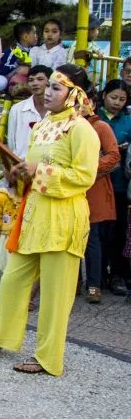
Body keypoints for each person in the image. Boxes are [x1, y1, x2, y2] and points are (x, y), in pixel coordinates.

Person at [0, 64, 99, 376]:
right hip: (33, 214)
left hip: (63, 220)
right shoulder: (44, 124)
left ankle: (48, 358)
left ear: (75, 94)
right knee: (13, 279)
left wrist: (39, 171)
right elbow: (31, 169)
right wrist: (19, 174)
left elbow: (85, 177)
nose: (48, 92)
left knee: (55, 293)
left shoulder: (82, 130)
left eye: (56, 88)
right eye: (48, 85)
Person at [83, 87, 121, 304]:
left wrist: (86, 168)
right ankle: (73, 283)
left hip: (93, 188)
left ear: (93, 103)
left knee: (92, 238)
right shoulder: (62, 124)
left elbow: (113, 156)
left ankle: (94, 285)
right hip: (68, 187)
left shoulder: (100, 126)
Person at [99, 81, 131, 296]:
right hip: (96, 184)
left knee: (118, 233)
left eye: (122, 99)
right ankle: (97, 275)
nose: (117, 103)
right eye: (113, 97)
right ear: (104, 96)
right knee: (97, 233)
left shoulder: (128, 122)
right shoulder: (93, 119)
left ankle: (117, 275)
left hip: (119, 184)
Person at [7, 65, 52, 159]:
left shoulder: (58, 110)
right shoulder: (17, 109)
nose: (34, 83)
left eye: (40, 79)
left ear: (49, 82)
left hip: (48, 167)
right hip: (21, 165)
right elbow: (11, 142)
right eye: (31, 80)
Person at [0, 22, 36, 98]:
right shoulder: (13, 51)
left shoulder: (35, 50)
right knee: (24, 69)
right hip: (9, 80)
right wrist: (17, 64)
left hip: (26, 81)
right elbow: (3, 70)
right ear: (25, 37)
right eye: (34, 33)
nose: (36, 36)